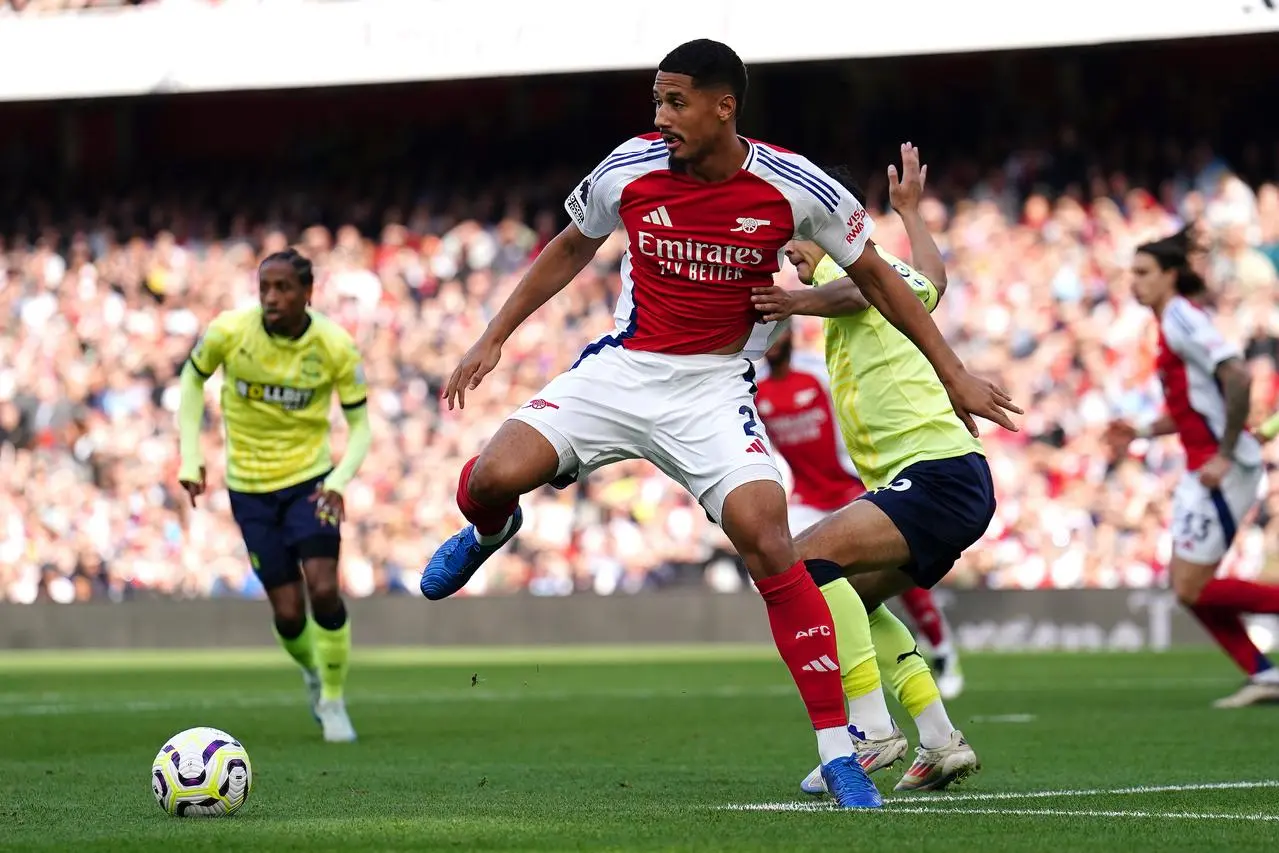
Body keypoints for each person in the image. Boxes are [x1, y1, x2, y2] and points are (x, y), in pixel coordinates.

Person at [418, 40, 1020, 809]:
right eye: (656, 102)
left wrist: (952, 370)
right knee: (486, 479)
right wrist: (493, 334)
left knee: (773, 543)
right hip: (624, 368)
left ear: (722, 105)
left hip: (712, 390)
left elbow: (879, 277)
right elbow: (572, 244)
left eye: (675, 101)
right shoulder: (628, 166)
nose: (660, 117)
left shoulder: (796, 185)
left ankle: (840, 750)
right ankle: (489, 532)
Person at [751, 145, 992, 792]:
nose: (787, 251)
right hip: (942, 476)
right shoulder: (890, 272)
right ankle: (940, 739)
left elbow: (860, 290)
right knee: (845, 597)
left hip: (936, 472)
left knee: (799, 565)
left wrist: (792, 303)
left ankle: (869, 729)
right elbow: (932, 281)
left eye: (792, 233)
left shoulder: (858, 273)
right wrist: (912, 215)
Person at [178, 248, 372, 742]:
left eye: (283, 288)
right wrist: (190, 455)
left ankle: (332, 697)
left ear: (308, 293)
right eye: (264, 287)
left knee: (324, 588)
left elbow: (360, 426)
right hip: (249, 488)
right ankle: (312, 670)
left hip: (311, 482)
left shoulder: (335, 346)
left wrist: (337, 480)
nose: (271, 297)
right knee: (288, 612)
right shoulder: (228, 332)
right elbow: (191, 379)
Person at [1106, 228, 1279, 708]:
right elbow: (1193, 410)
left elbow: (1239, 375)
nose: (1134, 283)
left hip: (1224, 467)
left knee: (1189, 584)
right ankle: (1264, 675)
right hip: (1206, 465)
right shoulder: (1170, 322)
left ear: (1171, 276)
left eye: (1143, 274)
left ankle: (1263, 672)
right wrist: (1140, 430)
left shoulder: (1182, 317)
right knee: (1187, 588)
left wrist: (1225, 452)